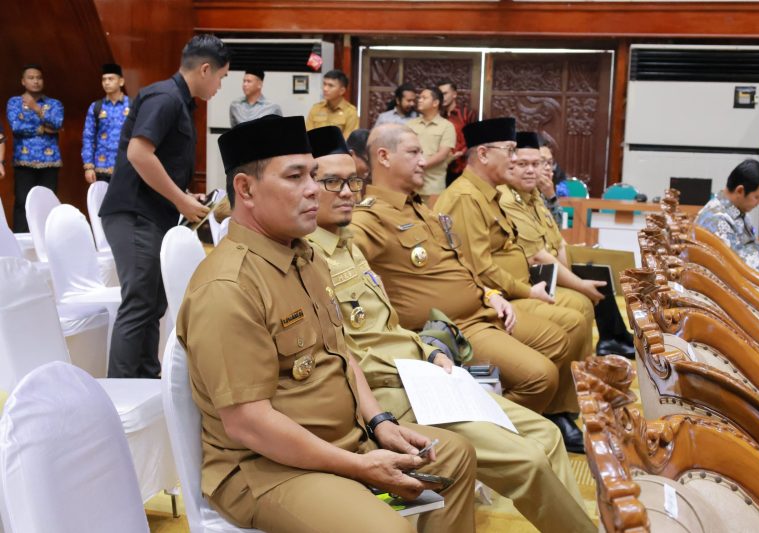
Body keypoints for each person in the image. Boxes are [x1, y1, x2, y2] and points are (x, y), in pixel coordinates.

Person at [178, 115, 476, 533]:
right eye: (296, 176)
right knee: (387, 530)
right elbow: (248, 423)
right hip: (268, 470)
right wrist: (359, 466)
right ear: (245, 189)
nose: (314, 190)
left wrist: (380, 423)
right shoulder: (228, 286)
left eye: (314, 175)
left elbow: (341, 353)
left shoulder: (305, 255)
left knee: (456, 455)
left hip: (344, 438)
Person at [306, 125, 594, 532]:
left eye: (352, 180)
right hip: (395, 388)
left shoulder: (350, 239)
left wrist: (431, 349)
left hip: (425, 367)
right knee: (528, 458)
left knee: (545, 435)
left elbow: (396, 316)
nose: (348, 192)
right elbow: (345, 352)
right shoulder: (315, 253)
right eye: (331, 182)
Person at [350, 124, 575, 436]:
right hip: (452, 327)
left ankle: (507, 423)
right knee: (541, 376)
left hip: (481, 309)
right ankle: (496, 436)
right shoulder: (369, 218)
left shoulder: (420, 209)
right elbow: (336, 257)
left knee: (558, 339)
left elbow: (459, 264)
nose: (423, 160)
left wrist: (488, 294)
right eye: (414, 152)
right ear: (384, 157)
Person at [435, 119, 590, 451]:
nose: (514, 158)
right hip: (487, 301)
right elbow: (479, 267)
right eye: (509, 151)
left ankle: (553, 413)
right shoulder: (466, 197)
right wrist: (525, 290)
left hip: (504, 293)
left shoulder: (486, 195)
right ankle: (506, 431)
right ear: (484, 153)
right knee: (562, 334)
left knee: (575, 316)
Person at [99, 34, 230, 378]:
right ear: (205, 69)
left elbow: (162, 162)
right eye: (221, 77)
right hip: (134, 212)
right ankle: (122, 388)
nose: (219, 85)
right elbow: (139, 154)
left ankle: (146, 377)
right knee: (140, 300)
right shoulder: (166, 97)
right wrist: (180, 199)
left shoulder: (181, 102)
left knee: (153, 302)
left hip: (152, 213)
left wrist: (187, 195)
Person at [500, 132, 635, 358]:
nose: (533, 170)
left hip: (548, 270)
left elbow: (558, 240)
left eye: (539, 164)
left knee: (597, 271)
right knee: (582, 301)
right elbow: (537, 257)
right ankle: (584, 366)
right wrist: (578, 284)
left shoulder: (534, 195)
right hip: (528, 278)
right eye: (524, 164)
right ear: (510, 164)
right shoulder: (507, 199)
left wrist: (575, 279)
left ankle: (606, 347)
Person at [696, 159, 759, 283]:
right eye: (757, 197)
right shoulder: (717, 220)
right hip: (743, 290)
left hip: (757, 281)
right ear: (740, 190)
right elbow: (732, 274)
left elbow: (755, 257)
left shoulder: (737, 211)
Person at [6, 64, 64, 232]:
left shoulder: (54, 103)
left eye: (39, 77)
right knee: (22, 202)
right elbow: (16, 127)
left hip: (50, 161)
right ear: (23, 81)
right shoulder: (14, 102)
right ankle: (22, 240)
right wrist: (42, 128)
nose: (36, 81)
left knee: (48, 203)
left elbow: (58, 123)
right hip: (24, 160)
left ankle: (48, 240)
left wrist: (37, 109)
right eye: (31, 78)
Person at [81, 63, 130, 184]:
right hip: (101, 167)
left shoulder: (133, 105)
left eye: (111, 79)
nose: (106, 82)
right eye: (104, 79)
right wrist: (88, 167)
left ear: (121, 82)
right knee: (102, 202)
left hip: (127, 167)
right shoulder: (96, 107)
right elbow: (88, 137)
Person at [407, 86, 455, 205]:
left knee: (432, 221)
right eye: (420, 97)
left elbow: (442, 154)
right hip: (410, 185)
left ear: (435, 103)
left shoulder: (447, 126)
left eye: (424, 97)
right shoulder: (410, 124)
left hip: (433, 187)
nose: (420, 100)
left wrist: (420, 165)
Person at [438, 79, 475, 187]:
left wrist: (462, 153)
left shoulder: (466, 114)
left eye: (445, 93)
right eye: (440, 94)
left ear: (454, 94)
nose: (442, 97)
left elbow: (474, 139)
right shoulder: (437, 115)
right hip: (440, 166)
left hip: (462, 166)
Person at [306, 69, 358, 137]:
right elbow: (308, 135)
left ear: (342, 90)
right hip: (315, 147)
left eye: (330, 86)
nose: (325, 89)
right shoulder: (316, 108)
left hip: (338, 147)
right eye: (324, 84)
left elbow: (348, 141)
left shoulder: (350, 112)